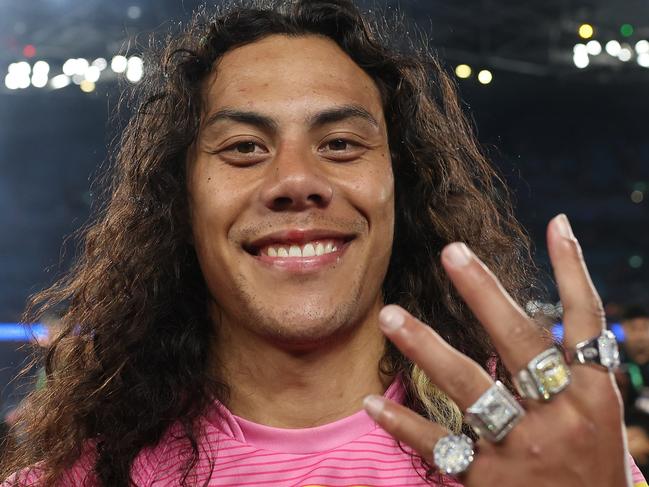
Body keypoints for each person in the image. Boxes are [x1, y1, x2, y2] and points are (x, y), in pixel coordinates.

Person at [1, 1, 645, 486]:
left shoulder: (543, 441)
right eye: (244, 148)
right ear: (183, 199)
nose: (296, 181)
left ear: (403, 183)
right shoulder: (81, 472)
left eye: (340, 144)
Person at [619, 305, 649, 477]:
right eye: (633, 328)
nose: (639, 336)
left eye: (644, 328)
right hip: (626, 447)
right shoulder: (614, 369)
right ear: (624, 329)